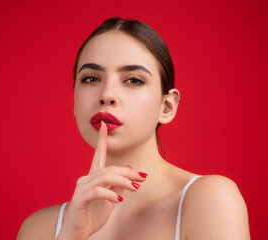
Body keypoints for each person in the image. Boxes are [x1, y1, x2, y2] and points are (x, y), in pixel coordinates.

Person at [17, 17, 250, 240]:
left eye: (133, 80)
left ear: (167, 106)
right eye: (90, 78)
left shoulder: (210, 200)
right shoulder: (40, 229)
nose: (106, 94)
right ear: (75, 102)